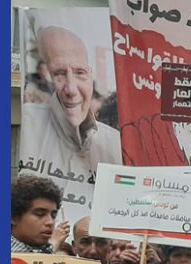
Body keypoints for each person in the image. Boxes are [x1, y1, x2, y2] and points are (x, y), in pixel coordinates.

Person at [19, 26, 122, 191]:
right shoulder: (26, 125)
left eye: (80, 73)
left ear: (90, 76)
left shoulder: (115, 144)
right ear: (44, 76)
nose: (71, 89)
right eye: (59, 74)